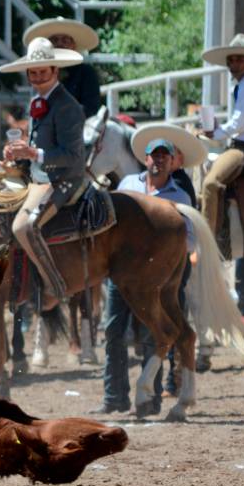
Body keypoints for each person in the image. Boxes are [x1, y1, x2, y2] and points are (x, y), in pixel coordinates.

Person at [92, 124, 203, 415]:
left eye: (164, 156)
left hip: (157, 272)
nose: (158, 160)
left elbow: (188, 240)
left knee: (149, 331)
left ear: (172, 162)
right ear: (146, 158)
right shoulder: (127, 185)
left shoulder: (180, 197)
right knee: (114, 330)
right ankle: (115, 397)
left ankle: (149, 398)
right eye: (154, 155)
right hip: (121, 270)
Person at [0, 37, 85, 301]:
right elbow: (37, 145)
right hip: (38, 177)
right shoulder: (37, 101)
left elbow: (74, 157)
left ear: (55, 71)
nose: (37, 77)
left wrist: (33, 152)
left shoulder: (68, 106)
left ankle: (54, 286)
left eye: (42, 72)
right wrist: (17, 154)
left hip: (63, 181)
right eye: (33, 72)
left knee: (24, 228)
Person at [198, 33, 244, 240]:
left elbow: (240, 124)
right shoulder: (243, 84)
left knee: (211, 183)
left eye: (240, 59)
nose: (234, 63)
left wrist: (216, 133)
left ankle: (207, 239)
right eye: (232, 59)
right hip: (241, 142)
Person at [23, 17, 102, 119]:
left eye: (65, 40)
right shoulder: (41, 71)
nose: (60, 44)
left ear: (73, 45)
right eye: (55, 40)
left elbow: (90, 109)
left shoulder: (86, 72)